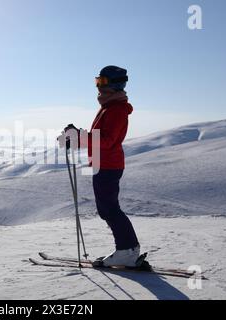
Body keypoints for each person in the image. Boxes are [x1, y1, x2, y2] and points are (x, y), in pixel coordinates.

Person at [60, 65, 140, 267]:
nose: (98, 87)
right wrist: (76, 137)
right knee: (108, 208)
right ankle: (127, 249)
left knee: (109, 209)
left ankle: (127, 251)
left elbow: (107, 140)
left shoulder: (115, 109)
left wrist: (79, 136)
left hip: (108, 165)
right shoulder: (108, 107)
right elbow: (100, 139)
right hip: (101, 163)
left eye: (103, 82)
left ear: (115, 84)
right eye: (97, 81)